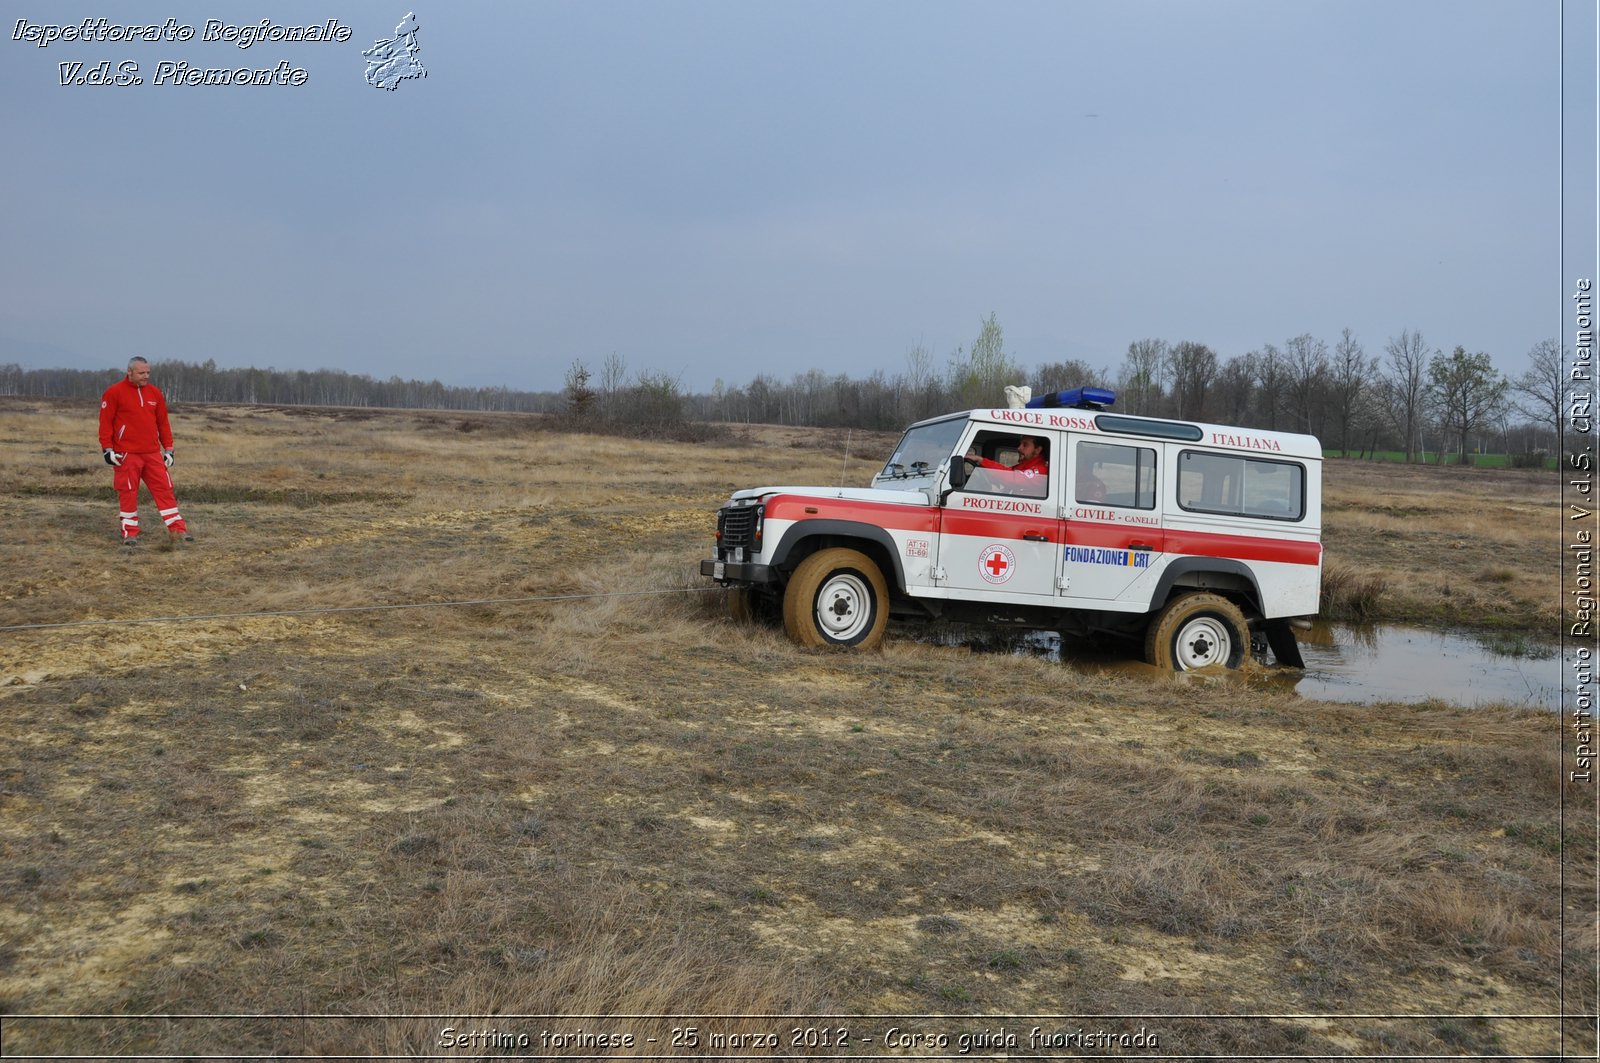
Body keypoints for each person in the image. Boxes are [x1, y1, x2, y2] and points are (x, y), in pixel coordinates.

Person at [99, 356, 191, 545]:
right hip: (126, 455)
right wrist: (107, 450)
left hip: (152, 454)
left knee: (165, 489)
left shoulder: (155, 393)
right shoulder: (114, 392)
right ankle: (130, 533)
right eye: (141, 373)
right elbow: (105, 424)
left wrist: (169, 449)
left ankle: (178, 530)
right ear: (130, 372)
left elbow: (163, 423)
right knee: (128, 492)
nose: (146, 376)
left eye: (148, 372)